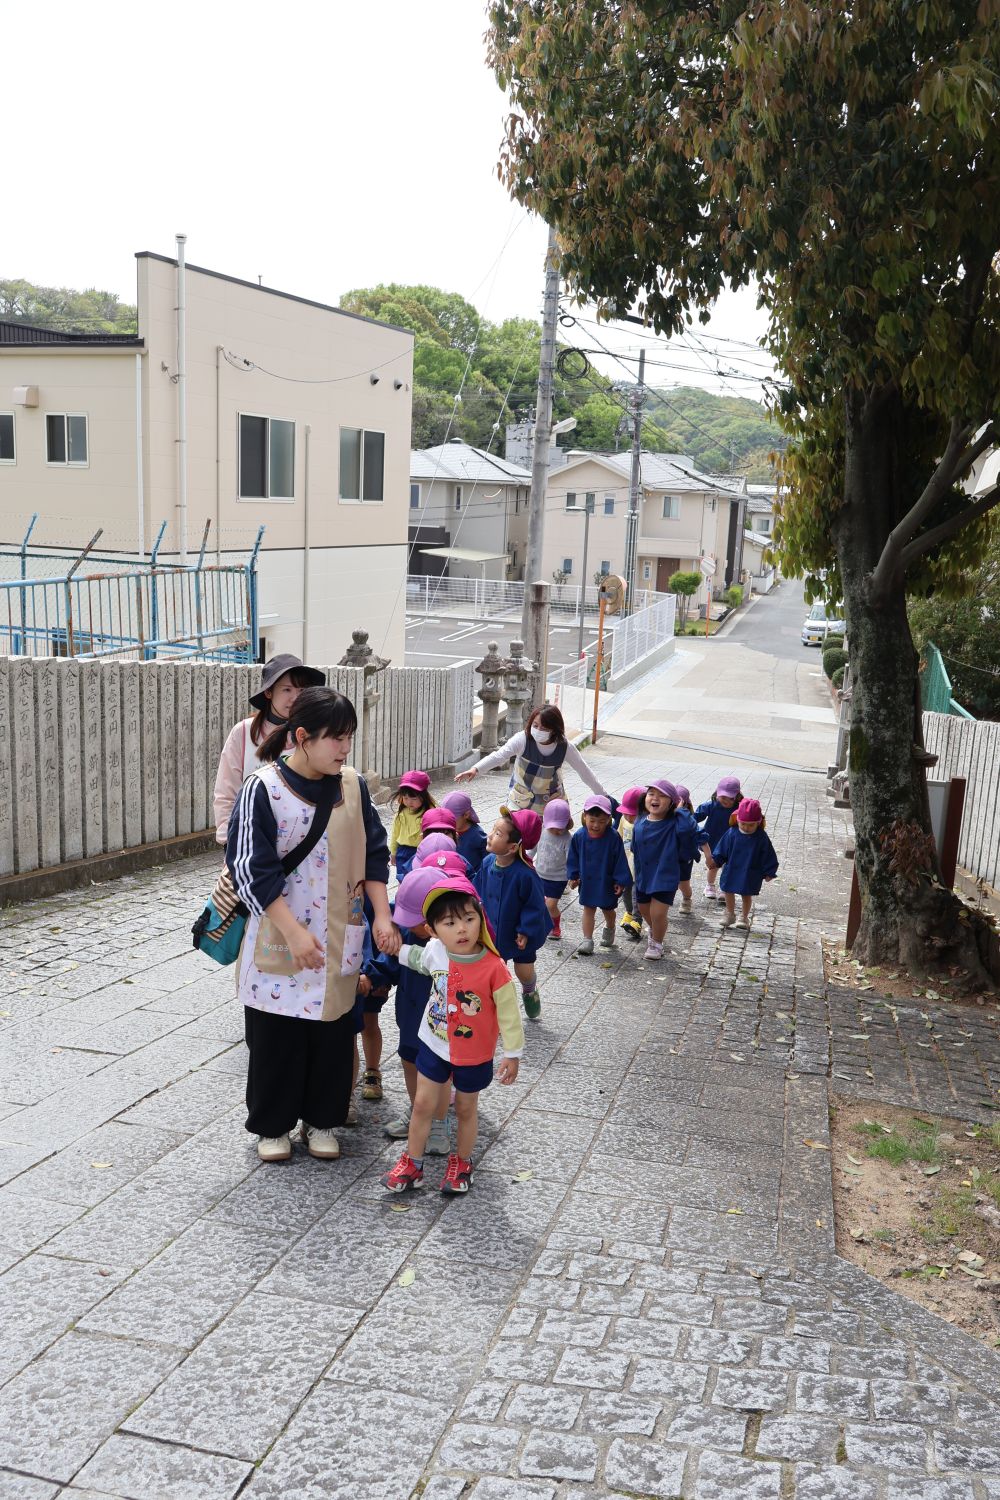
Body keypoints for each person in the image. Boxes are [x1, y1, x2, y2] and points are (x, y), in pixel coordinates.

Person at [227, 687, 396, 1164]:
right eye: (336, 739)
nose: (345, 749)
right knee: (277, 1037)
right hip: (279, 939)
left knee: (332, 1035)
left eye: (349, 738)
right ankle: (273, 1126)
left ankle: (323, 1119)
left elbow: (375, 853)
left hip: (340, 935)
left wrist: (382, 914)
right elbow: (248, 868)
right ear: (302, 737)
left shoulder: (352, 785)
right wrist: (293, 931)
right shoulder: (263, 789)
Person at [381, 877, 524, 1196]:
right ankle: (412, 1163)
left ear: (480, 920)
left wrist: (512, 1053)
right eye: (450, 922)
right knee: (421, 1104)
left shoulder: (494, 968)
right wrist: (395, 948)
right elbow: (417, 959)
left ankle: (462, 1162)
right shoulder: (435, 951)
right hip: (433, 1044)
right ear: (432, 929)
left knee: (464, 1108)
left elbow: (509, 1014)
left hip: (473, 1053)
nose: (461, 929)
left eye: (469, 919)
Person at [213, 654, 325, 844]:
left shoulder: (316, 734)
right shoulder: (243, 732)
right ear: (269, 692)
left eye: (301, 690)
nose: (295, 698)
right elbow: (226, 792)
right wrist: (229, 841)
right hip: (251, 842)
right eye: (287, 690)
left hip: (303, 847)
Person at [380, 866, 454, 1154]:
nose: (407, 926)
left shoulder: (454, 944)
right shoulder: (410, 936)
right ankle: (416, 1110)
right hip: (410, 1014)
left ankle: (438, 1122)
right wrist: (374, 978)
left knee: (440, 1070)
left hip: (441, 1023)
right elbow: (392, 960)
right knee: (409, 1060)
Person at [455, 704, 606, 812]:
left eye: (544, 728)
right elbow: (499, 756)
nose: (538, 730)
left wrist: (604, 797)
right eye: (535, 725)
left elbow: (584, 772)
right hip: (520, 802)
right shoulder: (522, 739)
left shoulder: (564, 747)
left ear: (554, 730)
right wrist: (476, 769)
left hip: (551, 804)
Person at [473, 808, 551, 1020]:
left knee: (523, 969)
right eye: (493, 830)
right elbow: (476, 887)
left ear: (512, 847)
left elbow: (534, 905)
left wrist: (525, 930)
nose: (490, 835)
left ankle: (529, 989)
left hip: (518, 931)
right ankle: (495, 1009)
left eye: (498, 834)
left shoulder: (525, 874)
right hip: (492, 928)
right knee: (493, 970)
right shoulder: (488, 863)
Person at [631, 779, 698, 962]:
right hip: (644, 876)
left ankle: (657, 943)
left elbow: (688, 831)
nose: (655, 798)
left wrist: (682, 811)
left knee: (658, 913)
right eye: (651, 794)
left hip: (666, 876)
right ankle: (656, 930)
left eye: (662, 796)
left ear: (672, 803)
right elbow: (635, 849)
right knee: (645, 910)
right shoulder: (640, 822)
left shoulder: (675, 824)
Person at [567, 795, 632, 955]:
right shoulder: (579, 836)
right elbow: (573, 857)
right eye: (592, 820)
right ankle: (587, 939)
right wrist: (573, 875)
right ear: (584, 816)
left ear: (609, 819)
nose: (596, 825)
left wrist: (620, 880)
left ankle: (610, 927)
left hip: (607, 881)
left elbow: (619, 860)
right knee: (588, 909)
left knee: (608, 910)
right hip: (588, 881)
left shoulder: (613, 837)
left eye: (602, 821)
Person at [713, 797, 779, 930]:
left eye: (751, 825)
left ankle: (744, 916)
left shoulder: (761, 837)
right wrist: (717, 860)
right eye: (743, 824)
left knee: (746, 894)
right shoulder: (732, 833)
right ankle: (730, 913)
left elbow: (768, 854)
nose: (746, 828)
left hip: (750, 870)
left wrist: (769, 871)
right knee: (728, 891)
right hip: (732, 868)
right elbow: (722, 848)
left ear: (758, 822)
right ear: (737, 819)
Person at [694, 775, 742, 900]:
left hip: (731, 842)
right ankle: (710, 886)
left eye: (730, 798)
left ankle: (724, 888)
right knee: (714, 865)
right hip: (713, 840)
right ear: (717, 793)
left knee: (728, 865)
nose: (726, 800)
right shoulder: (711, 805)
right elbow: (695, 816)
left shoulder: (739, 807)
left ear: (737, 796)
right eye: (723, 797)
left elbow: (748, 818)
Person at [534, 798, 573, 941]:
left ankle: (555, 926)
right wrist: (526, 858)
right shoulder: (542, 831)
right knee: (539, 902)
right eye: (553, 827)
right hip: (539, 874)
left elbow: (571, 859)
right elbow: (533, 847)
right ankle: (542, 924)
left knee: (551, 904)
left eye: (560, 827)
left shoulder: (567, 839)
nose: (557, 830)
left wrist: (573, 875)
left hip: (558, 878)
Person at [389, 770, 436, 881]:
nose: (409, 802)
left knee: (418, 879)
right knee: (403, 879)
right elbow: (395, 833)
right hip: (402, 851)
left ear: (424, 796)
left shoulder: (430, 813)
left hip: (421, 852)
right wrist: (393, 852)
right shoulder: (401, 813)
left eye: (413, 798)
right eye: (405, 798)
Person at [616, 785, 646, 941]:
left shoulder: (645, 824)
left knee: (637, 895)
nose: (628, 817)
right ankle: (629, 913)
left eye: (632, 815)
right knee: (626, 894)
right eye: (626, 814)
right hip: (626, 865)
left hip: (639, 869)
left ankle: (637, 921)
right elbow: (620, 838)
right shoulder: (624, 820)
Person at [441, 791, 488, 874]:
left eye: (452, 819)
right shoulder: (447, 831)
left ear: (466, 815)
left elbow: (487, 859)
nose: (448, 822)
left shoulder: (477, 835)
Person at [673, 783, 702, 915]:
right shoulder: (663, 815)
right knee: (667, 882)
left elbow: (686, 829)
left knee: (683, 883)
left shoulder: (687, 818)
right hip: (669, 856)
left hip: (684, 858)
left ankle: (687, 898)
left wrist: (679, 812)